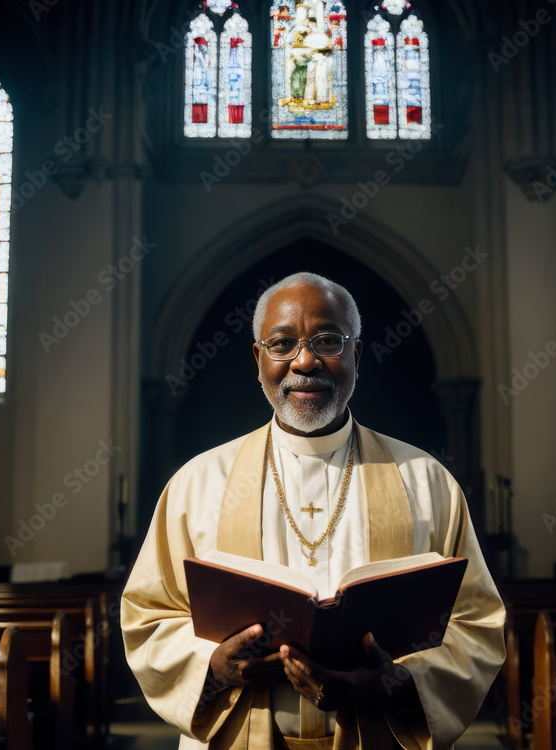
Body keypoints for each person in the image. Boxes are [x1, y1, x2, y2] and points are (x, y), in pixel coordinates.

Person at [121, 272, 506, 750]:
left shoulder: (426, 481)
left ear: (357, 356)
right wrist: (212, 667)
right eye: (282, 344)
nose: (304, 361)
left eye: (327, 340)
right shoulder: (197, 484)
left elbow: (477, 623)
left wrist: (393, 684)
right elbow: (148, 614)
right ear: (258, 359)